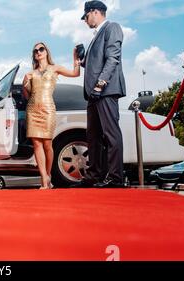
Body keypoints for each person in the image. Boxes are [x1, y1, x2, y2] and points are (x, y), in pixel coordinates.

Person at [79, 0, 126, 187]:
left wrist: (100, 84)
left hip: (105, 90)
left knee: (110, 134)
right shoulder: (95, 36)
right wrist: (83, 58)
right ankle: (94, 176)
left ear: (96, 12)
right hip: (93, 94)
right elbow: (95, 63)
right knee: (93, 137)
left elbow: (113, 58)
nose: (85, 20)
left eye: (86, 16)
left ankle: (115, 178)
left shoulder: (112, 27)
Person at [23, 42, 81, 189]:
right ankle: (43, 179)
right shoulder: (30, 74)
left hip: (48, 109)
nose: (38, 52)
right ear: (34, 55)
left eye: (41, 49)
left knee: (48, 144)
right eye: (35, 50)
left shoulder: (55, 69)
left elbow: (75, 74)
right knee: (37, 144)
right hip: (33, 110)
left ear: (46, 52)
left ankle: (48, 175)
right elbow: (27, 96)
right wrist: (25, 85)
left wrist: (76, 60)